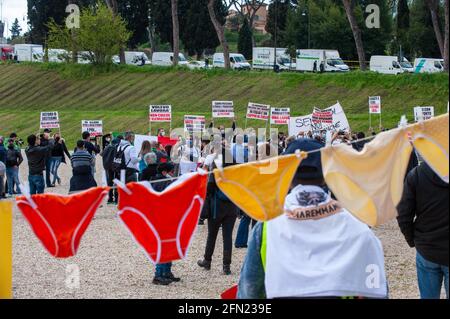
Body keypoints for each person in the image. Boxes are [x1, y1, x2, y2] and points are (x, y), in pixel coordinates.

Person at [237, 139, 388, 299]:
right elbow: (377, 290)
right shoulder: (357, 226)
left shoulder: (267, 227)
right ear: (325, 176)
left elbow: (249, 289)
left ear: (286, 176)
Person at [397, 162, 449, 299]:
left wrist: (414, 241)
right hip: (427, 248)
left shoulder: (416, 174)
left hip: (427, 249)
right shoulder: (416, 174)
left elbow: (403, 215)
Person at [198, 142, 239, 275]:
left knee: (212, 234)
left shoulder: (216, 166)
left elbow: (209, 186)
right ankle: (226, 266)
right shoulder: (236, 168)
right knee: (227, 237)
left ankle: (207, 260)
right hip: (232, 206)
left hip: (217, 206)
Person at [152, 162, 181, 285]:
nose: (172, 174)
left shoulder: (155, 181)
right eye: (171, 171)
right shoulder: (165, 182)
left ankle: (166, 272)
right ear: (165, 172)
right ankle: (159, 274)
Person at [101, 138, 121, 204]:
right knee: (116, 181)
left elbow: (101, 154)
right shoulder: (115, 148)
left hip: (107, 167)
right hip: (114, 167)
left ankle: (110, 198)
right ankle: (116, 199)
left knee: (109, 182)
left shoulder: (106, 148)